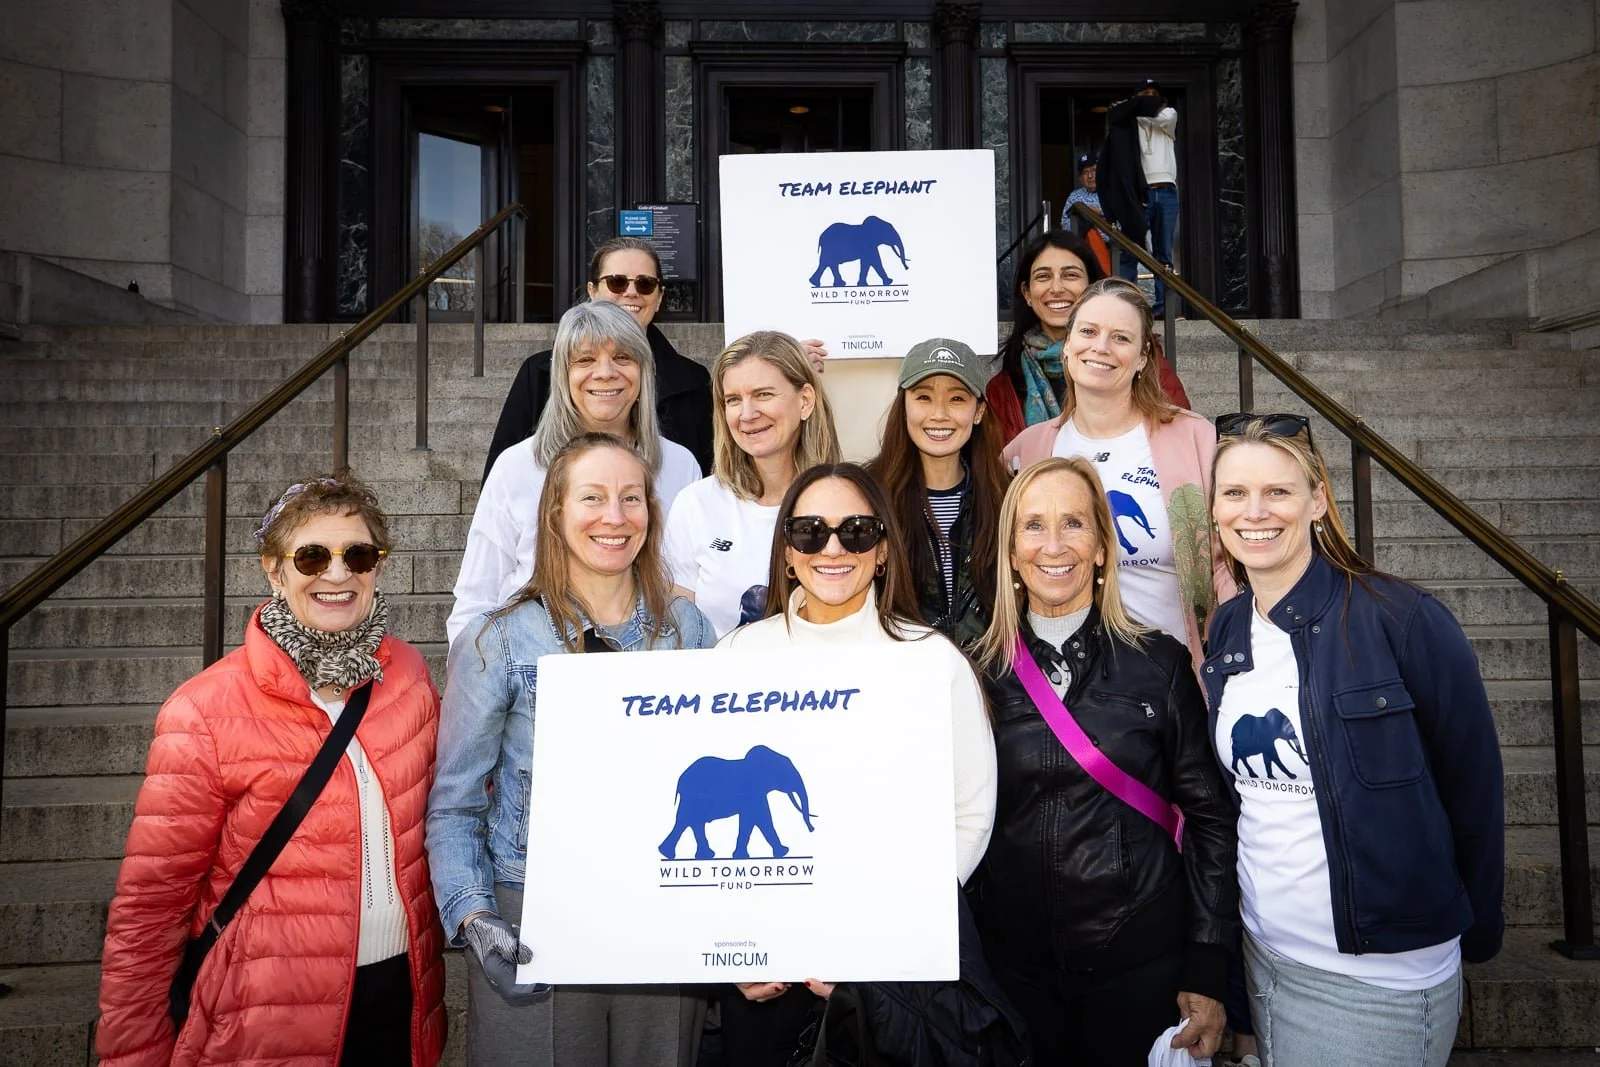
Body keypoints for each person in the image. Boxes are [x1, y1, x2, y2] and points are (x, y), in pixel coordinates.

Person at [97, 473, 446, 1066]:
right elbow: (149, 910)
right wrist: (133, 1054)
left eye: (357, 555)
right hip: (262, 1014)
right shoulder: (204, 712)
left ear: (378, 569)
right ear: (274, 570)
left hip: (400, 998)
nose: (337, 575)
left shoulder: (408, 675)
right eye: (312, 556)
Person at [1203, 415, 1504, 1065]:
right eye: (1233, 493)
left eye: (1278, 491)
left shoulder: (1403, 619)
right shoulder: (1226, 628)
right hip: (1266, 957)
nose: (1254, 511)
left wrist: (1476, 931)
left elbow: (1474, 787)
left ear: (1317, 500)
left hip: (1379, 982)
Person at [428, 432, 717, 1066]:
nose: (614, 517)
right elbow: (454, 804)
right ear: (555, 514)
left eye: (631, 498)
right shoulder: (496, 640)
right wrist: (475, 919)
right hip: (533, 913)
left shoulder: (690, 631)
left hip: (662, 909)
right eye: (592, 497)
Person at [721, 462, 998, 1065]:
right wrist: (731, 952)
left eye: (856, 531)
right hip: (767, 972)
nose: (832, 547)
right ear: (787, 553)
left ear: (882, 551)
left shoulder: (931, 660)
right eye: (809, 531)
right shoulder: (739, 655)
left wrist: (884, 937)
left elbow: (970, 814)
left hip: (891, 976)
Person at [968, 456, 1237, 1065]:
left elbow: (1211, 821)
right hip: (1015, 974)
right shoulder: (976, 674)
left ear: (1099, 547)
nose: (1053, 545)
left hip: (1140, 966)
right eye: (1033, 526)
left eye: (1074, 524)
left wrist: (1207, 963)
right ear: (1011, 552)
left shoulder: (1159, 663)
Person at [1002, 278, 1230, 670]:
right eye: (1088, 331)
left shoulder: (1194, 438)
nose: (1101, 347)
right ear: (1068, 344)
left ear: (1143, 357)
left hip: (1179, 680)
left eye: (1120, 338)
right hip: (1066, 681)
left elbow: (1227, 562)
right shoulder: (1030, 449)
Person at [449, 299, 702, 645]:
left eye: (623, 358)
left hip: (646, 669)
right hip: (532, 666)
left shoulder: (680, 464)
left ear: (644, 371)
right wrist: (474, 682)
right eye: (585, 360)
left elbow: (688, 585)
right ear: (562, 374)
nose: (605, 372)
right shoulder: (517, 467)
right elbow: (476, 598)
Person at [484, 236, 714, 478]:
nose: (631, 292)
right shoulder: (539, 372)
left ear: (659, 298)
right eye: (617, 282)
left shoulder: (693, 380)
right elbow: (503, 479)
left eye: (645, 284)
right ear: (592, 291)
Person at [664, 330, 841, 638]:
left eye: (763, 395)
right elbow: (680, 633)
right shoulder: (696, 504)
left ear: (805, 401)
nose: (747, 414)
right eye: (733, 400)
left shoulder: (849, 501)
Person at [866, 336, 1009, 652]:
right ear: (903, 404)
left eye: (957, 399)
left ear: (979, 411)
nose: (939, 415)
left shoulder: (1008, 497)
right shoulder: (866, 496)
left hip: (989, 683)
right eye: (924, 397)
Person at [987, 229, 1107, 444]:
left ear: (1092, 286)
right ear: (1026, 293)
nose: (1056, 288)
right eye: (1043, 277)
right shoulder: (1003, 387)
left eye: (1070, 275)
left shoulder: (1130, 363)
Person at [1135, 78, 1180, 316]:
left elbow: (1164, 118)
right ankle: (1132, 306)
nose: (1150, 97)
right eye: (1145, 93)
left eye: (1154, 93)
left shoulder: (1168, 114)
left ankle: (1164, 307)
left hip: (1167, 189)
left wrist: (1139, 109)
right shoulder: (1134, 122)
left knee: (1164, 251)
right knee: (1133, 248)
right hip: (1143, 191)